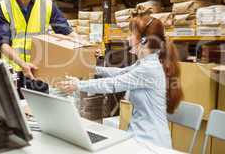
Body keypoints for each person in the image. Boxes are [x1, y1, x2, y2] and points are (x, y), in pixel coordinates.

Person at [56, 10, 184, 149]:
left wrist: (78, 85)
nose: (128, 38)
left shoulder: (149, 69)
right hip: (137, 135)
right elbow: (120, 72)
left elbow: (113, 84)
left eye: (131, 34)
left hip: (151, 142)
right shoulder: (145, 63)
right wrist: (91, 67)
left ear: (143, 40)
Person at [0, 0, 76, 94]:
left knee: (40, 109)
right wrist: (22, 64)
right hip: (15, 70)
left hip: (39, 69)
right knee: (17, 110)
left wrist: (86, 47)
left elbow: (67, 32)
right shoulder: (4, 8)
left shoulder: (46, 4)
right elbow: (3, 44)